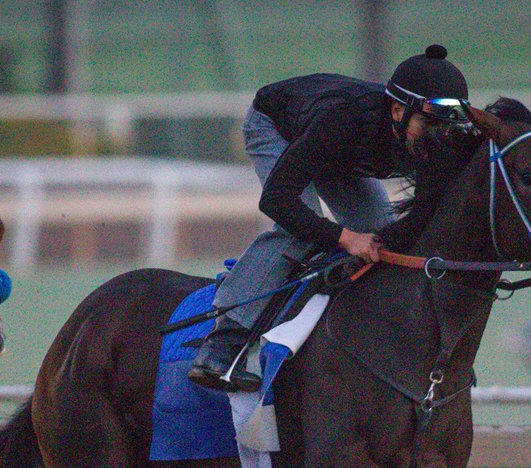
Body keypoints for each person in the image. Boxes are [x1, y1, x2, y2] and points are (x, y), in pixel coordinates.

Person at [188, 44, 473, 393]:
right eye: (428, 123)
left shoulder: (436, 137)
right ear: (398, 110)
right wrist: (344, 238)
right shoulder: (343, 120)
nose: (437, 136)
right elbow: (277, 200)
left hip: (343, 153)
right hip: (279, 127)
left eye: (445, 126)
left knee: (382, 235)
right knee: (301, 230)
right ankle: (223, 344)